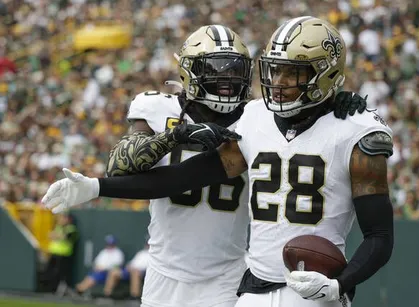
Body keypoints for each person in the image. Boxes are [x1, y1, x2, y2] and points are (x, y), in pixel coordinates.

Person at [42, 20, 376, 307]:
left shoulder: (257, 117)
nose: (226, 80)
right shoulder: (158, 108)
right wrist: (177, 136)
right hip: (162, 270)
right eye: (214, 70)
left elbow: (307, 105)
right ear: (189, 70)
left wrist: (336, 102)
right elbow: (120, 165)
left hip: (226, 275)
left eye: (235, 70)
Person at [40, 213, 78, 292]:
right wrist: (57, 235)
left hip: (63, 255)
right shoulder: (58, 227)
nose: (61, 220)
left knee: (59, 273)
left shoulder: (71, 229)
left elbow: (65, 237)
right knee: (49, 272)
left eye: (63, 218)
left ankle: (56, 290)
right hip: (54, 253)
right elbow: (50, 235)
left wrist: (57, 235)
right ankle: (47, 288)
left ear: (68, 220)